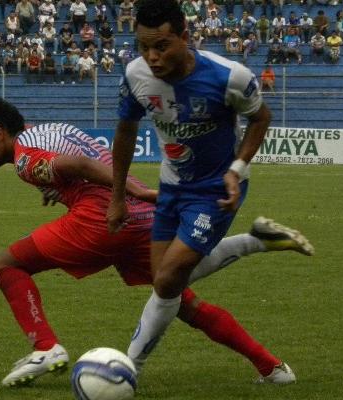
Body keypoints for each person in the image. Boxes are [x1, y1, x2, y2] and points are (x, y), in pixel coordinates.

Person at [0, 97, 313, 388]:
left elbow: (82, 164)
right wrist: (66, 190)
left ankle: (45, 348)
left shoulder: (24, 158)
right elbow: (85, 161)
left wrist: (129, 191)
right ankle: (273, 368)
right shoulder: (50, 131)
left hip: (103, 216)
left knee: (7, 262)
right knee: (179, 300)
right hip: (138, 217)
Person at [107, 0, 288, 379]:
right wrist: (118, 196)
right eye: (143, 47)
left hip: (217, 189)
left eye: (162, 46)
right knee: (165, 281)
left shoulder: (229, 76)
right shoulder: (136, 76)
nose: (152, 57)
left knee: (169, 277)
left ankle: (128, 368)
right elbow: (125, 131)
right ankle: (254, 242)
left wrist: (236, 170)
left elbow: (261, 117)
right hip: (172, 187)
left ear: (185, 38)